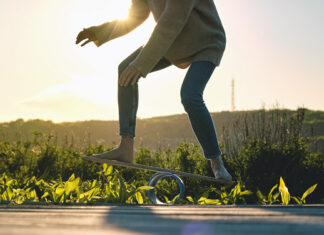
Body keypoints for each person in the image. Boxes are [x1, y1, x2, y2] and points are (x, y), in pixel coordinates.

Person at [76, 0, 232, 182]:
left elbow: (172, 19)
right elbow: (135, 15)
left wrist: (142, 64)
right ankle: (126, 147)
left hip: (206, 40)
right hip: (174, 41)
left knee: (190, 95)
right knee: (126, 69)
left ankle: (217, 164)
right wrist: (98, 32)